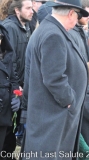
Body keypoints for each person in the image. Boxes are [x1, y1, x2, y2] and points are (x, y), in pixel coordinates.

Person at [21, 0, 89, 159]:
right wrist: (69, 99)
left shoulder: (52, 29)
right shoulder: (53, 34)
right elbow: (54, 78)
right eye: (77, 15)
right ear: (71, 13)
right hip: (53, 115)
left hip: (53, 114)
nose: (77, 20)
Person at [1, 0, 33, 148]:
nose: (32, 11)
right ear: (17, 11)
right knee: (7, 128)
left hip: (18, 86)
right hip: (9, 88)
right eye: (28, 8)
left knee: (12, 127)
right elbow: (9, 60)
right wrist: (15, 87)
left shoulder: (25, 28)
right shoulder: (9, 28)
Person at [0, 23, 20, 159]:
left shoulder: (6, 55)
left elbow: (13, 79)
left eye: (0, 37)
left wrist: (15, 95)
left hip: (4, 112)